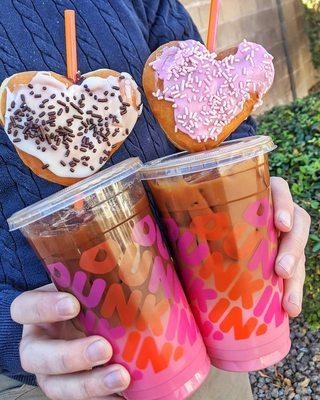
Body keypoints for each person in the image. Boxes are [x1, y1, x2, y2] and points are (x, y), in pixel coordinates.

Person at [0, 1, 311, 399]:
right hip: (59, 359)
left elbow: (212, 111)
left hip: (207, 307)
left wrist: (256, 197)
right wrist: (9, 329)